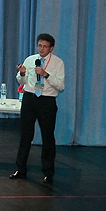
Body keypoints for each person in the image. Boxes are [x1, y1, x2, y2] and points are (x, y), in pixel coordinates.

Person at [10, 33, 65, 184]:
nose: (41, 49)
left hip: (47, 101)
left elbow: (61, 86)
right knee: (25, 135)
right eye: (39, 45)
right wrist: (22, 73)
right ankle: (20, 169)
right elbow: (22, 81)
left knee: (48, 137)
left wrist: (45, 74)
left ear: (51, 48)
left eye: (45, 46)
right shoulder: (30, 59)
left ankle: (48, 172)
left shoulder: (58, 63)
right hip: (30, 98)